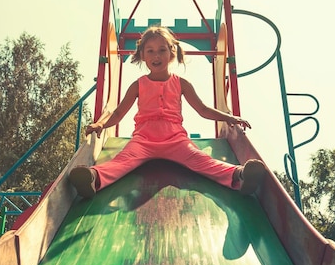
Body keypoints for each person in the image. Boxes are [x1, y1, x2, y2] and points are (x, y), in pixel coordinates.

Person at [69, 25, 265, 198]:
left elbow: (203, 109)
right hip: (144, 139)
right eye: (151, 51)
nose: (156, 56)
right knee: (123, 161)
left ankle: (240, 175)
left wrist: (229, 117)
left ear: (171, 53)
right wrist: (101, 124)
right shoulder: (138, 85)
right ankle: (93, 178)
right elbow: (119, 113)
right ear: (143, 55)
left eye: (162, 50)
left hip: (175, 139)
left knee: (201, 160)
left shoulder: (181, 84)